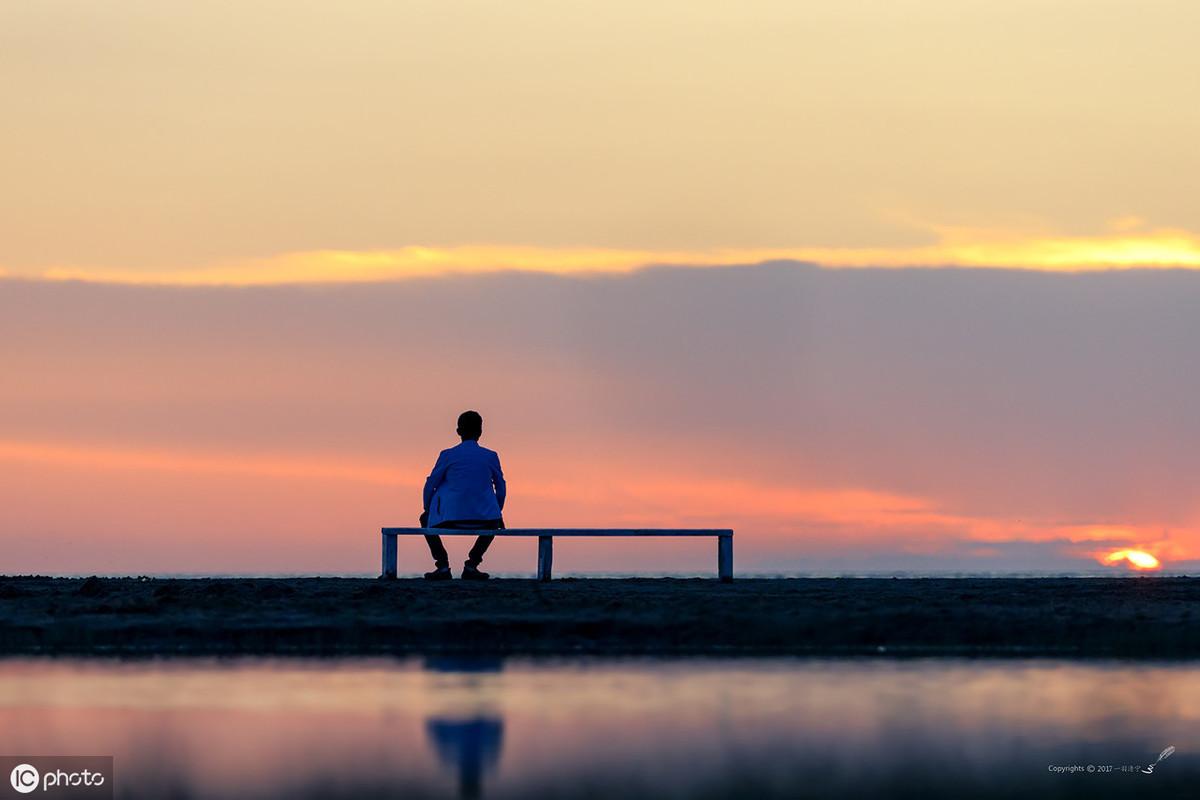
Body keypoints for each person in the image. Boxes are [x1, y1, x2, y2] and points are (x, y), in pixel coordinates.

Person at [420, 410, 506, 580]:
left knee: (424, 519)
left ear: (458, 431)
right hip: (485, 520)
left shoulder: (448, 455)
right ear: (480, 432)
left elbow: (431, 484)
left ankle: (442, 565)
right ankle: (472, 564)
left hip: (449, 519)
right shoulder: (490, 456)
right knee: (496, 521)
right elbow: (501, 488)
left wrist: (427, 508)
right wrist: (498, 511)